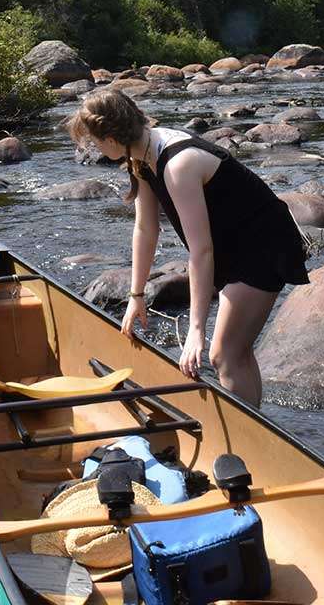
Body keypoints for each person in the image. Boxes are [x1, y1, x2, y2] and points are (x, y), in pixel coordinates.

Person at [66, 88, 309, 407]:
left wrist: (196, 330)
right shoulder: (140, 155)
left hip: (263, 246)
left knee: (223, 353)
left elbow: (201, 251)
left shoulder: (178, 164)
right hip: (233, 244)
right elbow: (145, 228)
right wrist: (135, 297)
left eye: (94, 140)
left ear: (111, 137)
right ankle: (256, 428)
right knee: (237, 351)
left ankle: (247, 442)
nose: (93, 148)